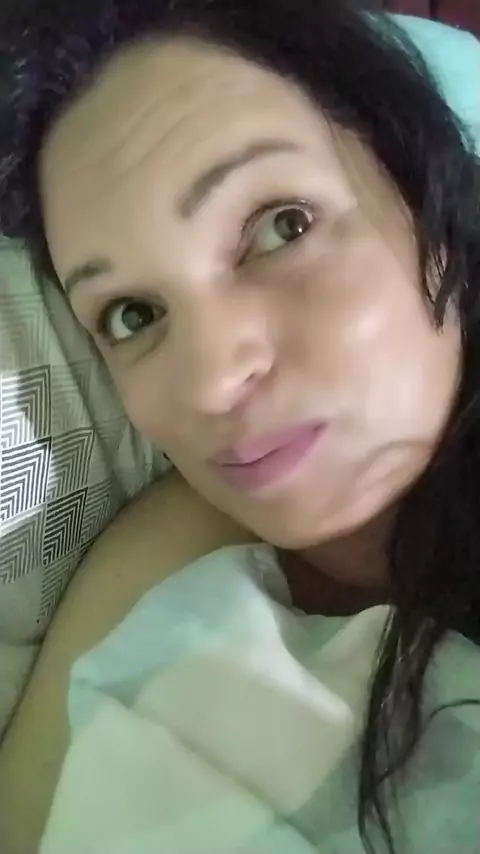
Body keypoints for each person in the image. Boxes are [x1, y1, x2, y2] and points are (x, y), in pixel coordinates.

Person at [0, 1, 479, 852]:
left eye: (281, 226)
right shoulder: (170, 556)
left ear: (429, 193)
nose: (213, 378)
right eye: (133, 314)